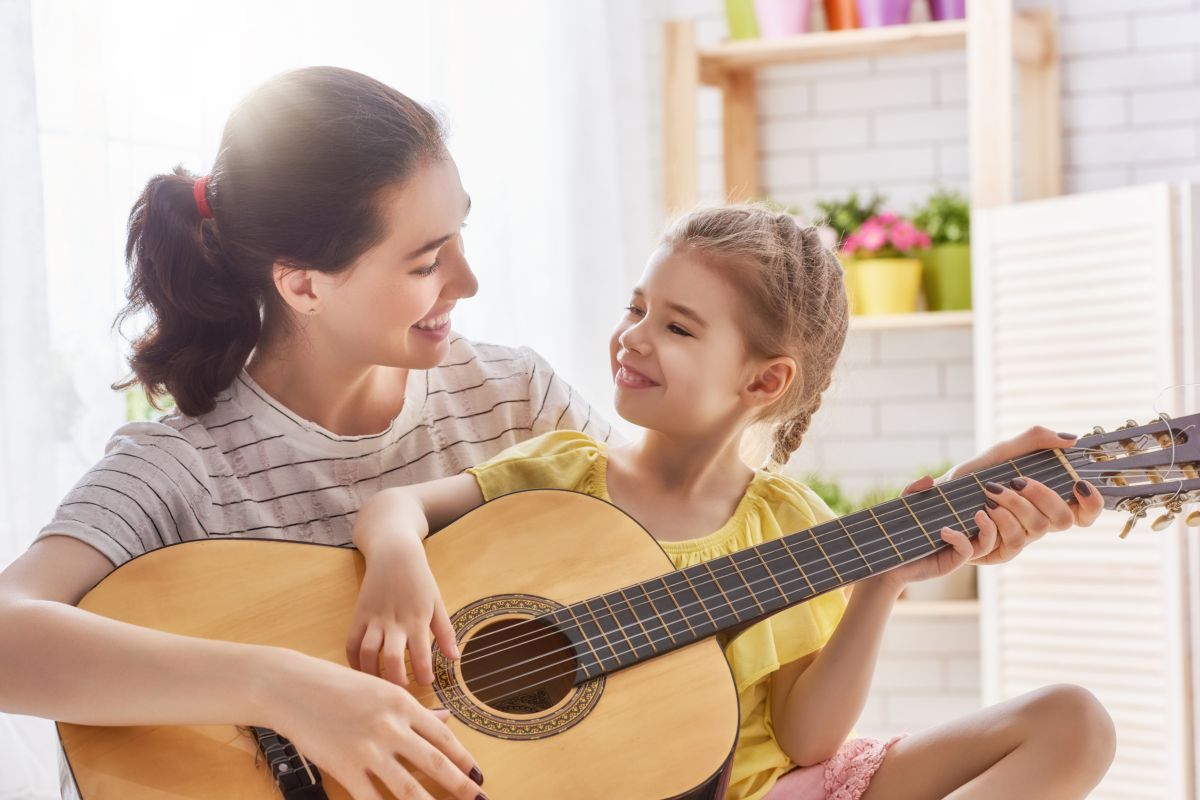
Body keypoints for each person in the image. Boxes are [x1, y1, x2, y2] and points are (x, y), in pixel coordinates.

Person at [346, 204, 1116, 800]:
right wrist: (396, 559)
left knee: (1075, 722)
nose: (634, 338)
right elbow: (394, 510)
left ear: (764, 382)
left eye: (677, 327)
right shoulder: (565, 473)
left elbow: (807, 741)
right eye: (637, 307)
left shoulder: (788, 525)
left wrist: (881, 583)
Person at [0, 66, 621, 800]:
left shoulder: (516, 396)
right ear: (302, 286)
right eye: (426, 260)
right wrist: (281, 689)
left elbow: (671, 535)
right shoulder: (184, 467)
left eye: (460, 236)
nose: (468, 281)